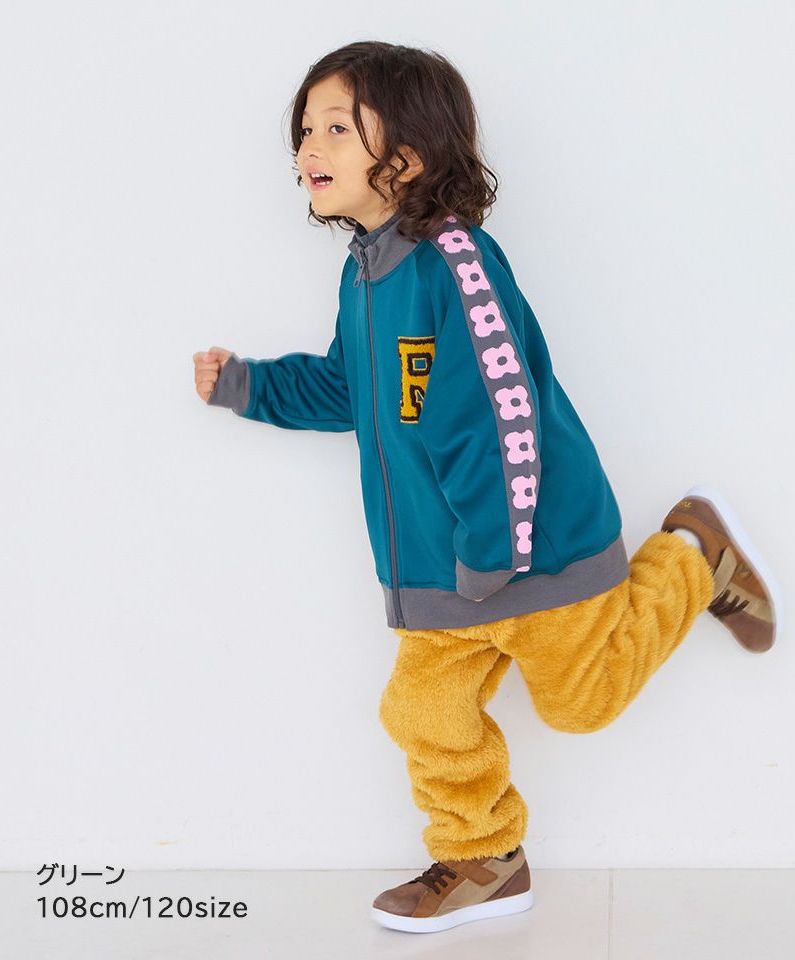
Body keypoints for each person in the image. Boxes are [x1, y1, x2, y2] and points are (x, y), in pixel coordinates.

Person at [192, 41, 783, 934]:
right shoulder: (366, 274)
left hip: (529, 551)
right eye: (305, 128)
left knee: (582, 705)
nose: (309, 145)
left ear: (408, 156)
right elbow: (351, 389)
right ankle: (485, 857)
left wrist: (493, 551)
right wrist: (248, 385)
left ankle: (693, 553)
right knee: (421, 710)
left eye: (338, 127)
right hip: (440, 574)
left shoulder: (454, 263)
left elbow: (499, 414)